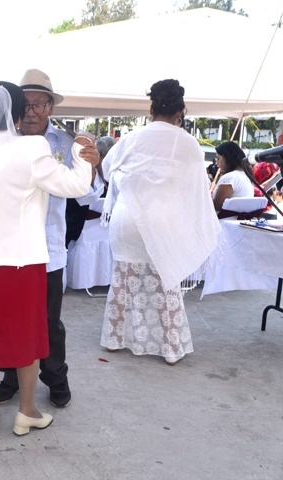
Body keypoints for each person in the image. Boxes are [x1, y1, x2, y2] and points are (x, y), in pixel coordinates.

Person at [0, 81, 97, 435]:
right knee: (27, 337)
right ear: (16, 113)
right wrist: (82, 153)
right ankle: (26, 410)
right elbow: (76, 187)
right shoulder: (31, 148)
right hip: (20, 262)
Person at [0, 69, 102, 408]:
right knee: (9, 317)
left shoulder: (67, 144)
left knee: (48, 321)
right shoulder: (2, 140)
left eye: (39, 103)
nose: (31, 110)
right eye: (25, 103)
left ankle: (55, 377)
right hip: (7, 248)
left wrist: (93, 166)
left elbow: (88, 197)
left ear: (51, 108)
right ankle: (10, 375)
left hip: (48, 249)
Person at [99, 78, 220, 365]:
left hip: (127, 218)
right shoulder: (188, 144)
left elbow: (107, 169)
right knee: (165, 280)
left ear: (151, 107)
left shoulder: (132, 138)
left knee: (124, 280)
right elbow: (196, 188)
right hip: (162, 221)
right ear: (181, 111)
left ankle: (116, 339)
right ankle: (169, 347)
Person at [211, 140, 254, 211]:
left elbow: (215, 207)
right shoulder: (246, 176)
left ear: (228, 157)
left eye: (218, 158)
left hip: (222, 220)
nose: (217, 163)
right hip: (239, 220)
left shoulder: (229, 178)